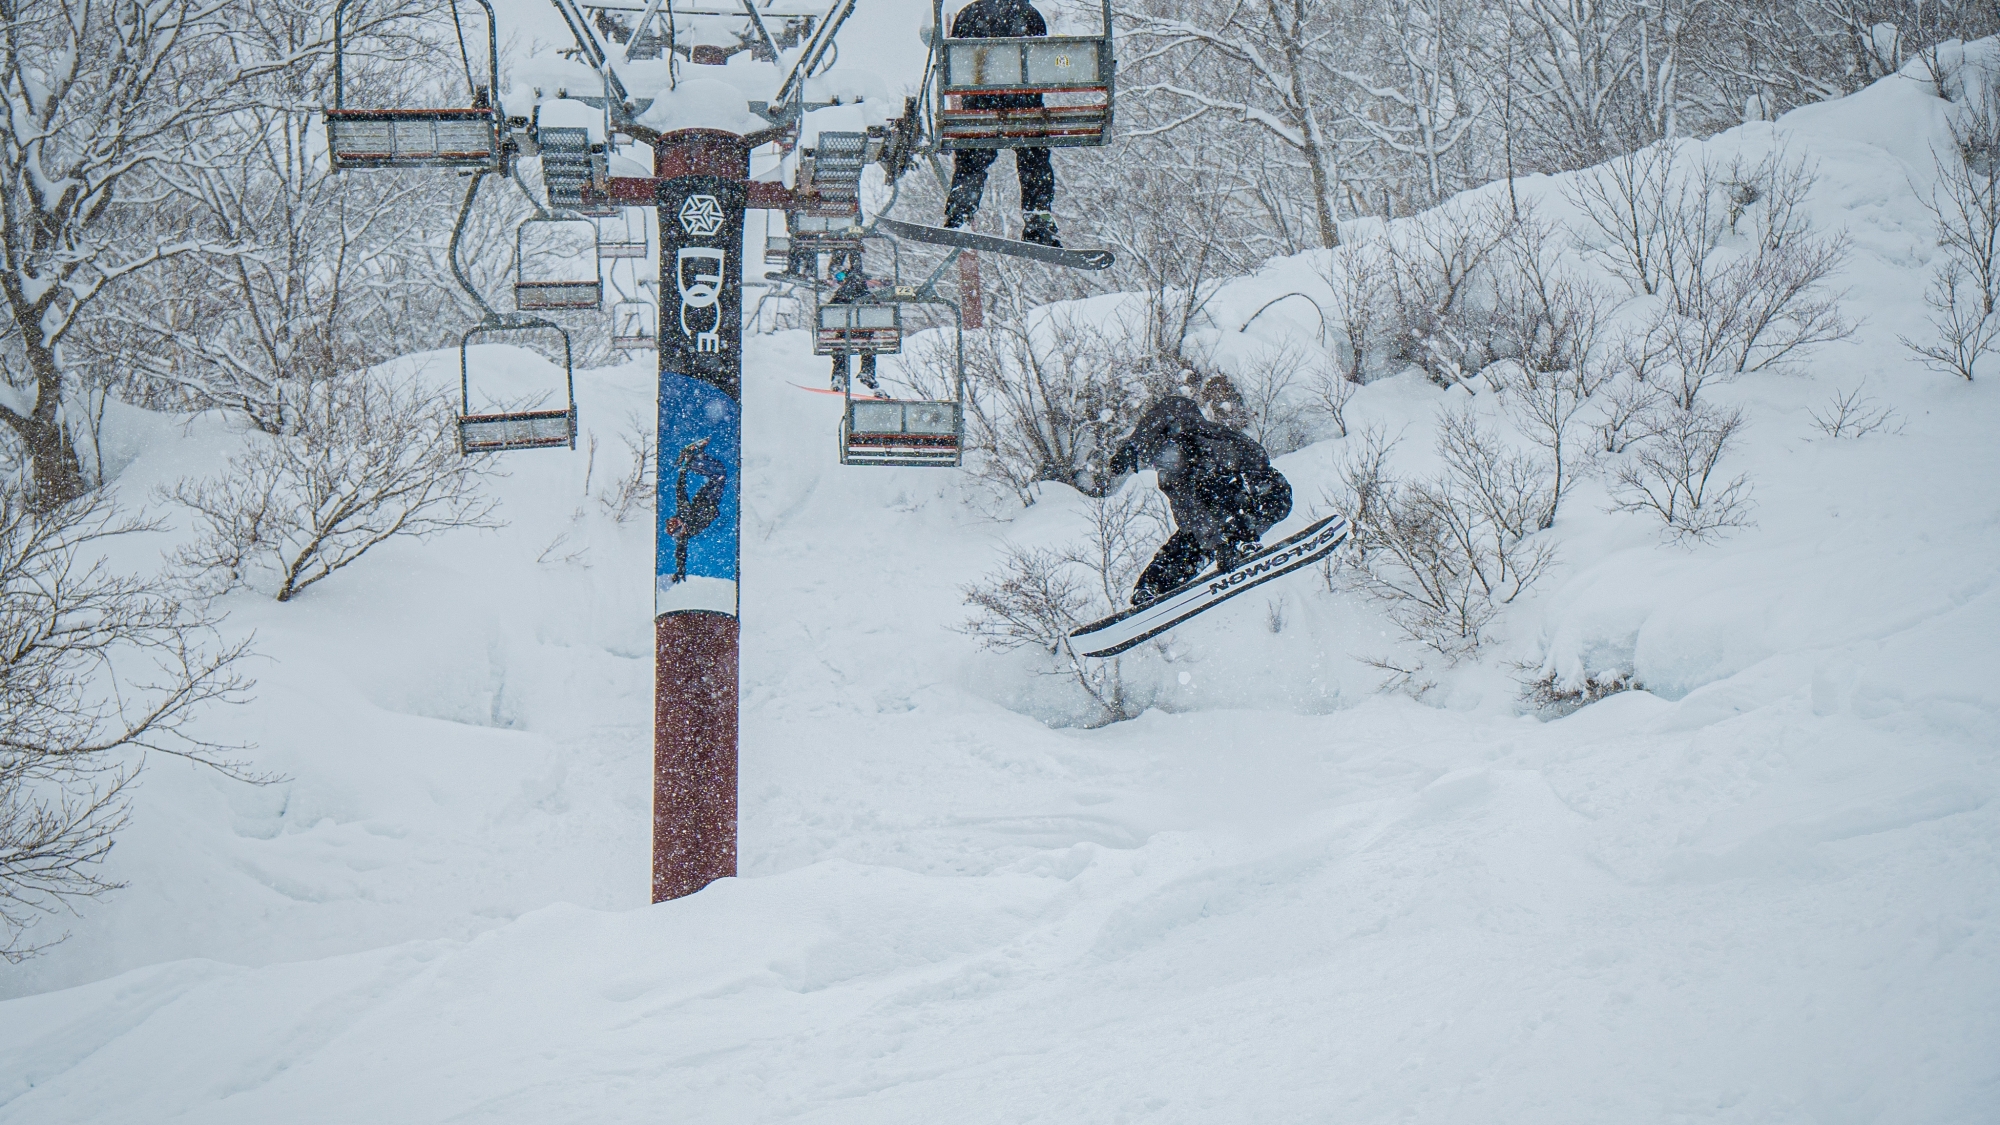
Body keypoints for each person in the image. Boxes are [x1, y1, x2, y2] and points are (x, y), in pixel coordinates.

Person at [1109, 396, 1293, 607]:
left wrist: (1230, 541)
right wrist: (1219, 544)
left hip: (1265, 494)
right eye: (1157, 460)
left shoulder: (1206, 443)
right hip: (1220, 517)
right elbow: (1194, 520)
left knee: (1217, 495)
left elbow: (1176, 407)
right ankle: (1152, 587)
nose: (1164, 463)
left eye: (1165, 455)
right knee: (1191, 536)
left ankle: (1242, 541)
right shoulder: (1175, 477)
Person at [942, 0, 1060, 247]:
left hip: (981, 109)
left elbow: (958, 65)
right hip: (1024, 108)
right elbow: (1039, 65)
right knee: (1034, 155)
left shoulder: (968, 15)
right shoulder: (1030, 15)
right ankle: (1037, 219)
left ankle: (960, 212)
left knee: (972, 159)